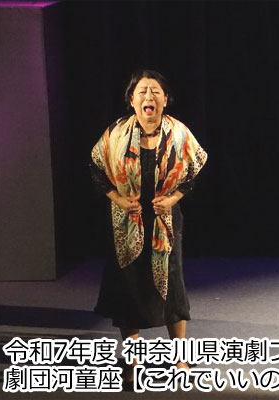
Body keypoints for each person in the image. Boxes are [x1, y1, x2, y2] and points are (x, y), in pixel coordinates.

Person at [90, 70, 207, 384]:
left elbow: (193, 171)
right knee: (128, 287)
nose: (148, 97)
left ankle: (180, 360)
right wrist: (119, 199)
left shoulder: (179, 134)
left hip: (164, 220)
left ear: (165, 99)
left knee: (172, 287)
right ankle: (132, 363)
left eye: (155, 91)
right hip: (126, 221)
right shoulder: (116, 134)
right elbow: (97, 170)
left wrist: (172, 200)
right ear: (132, 100)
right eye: (142, 91)